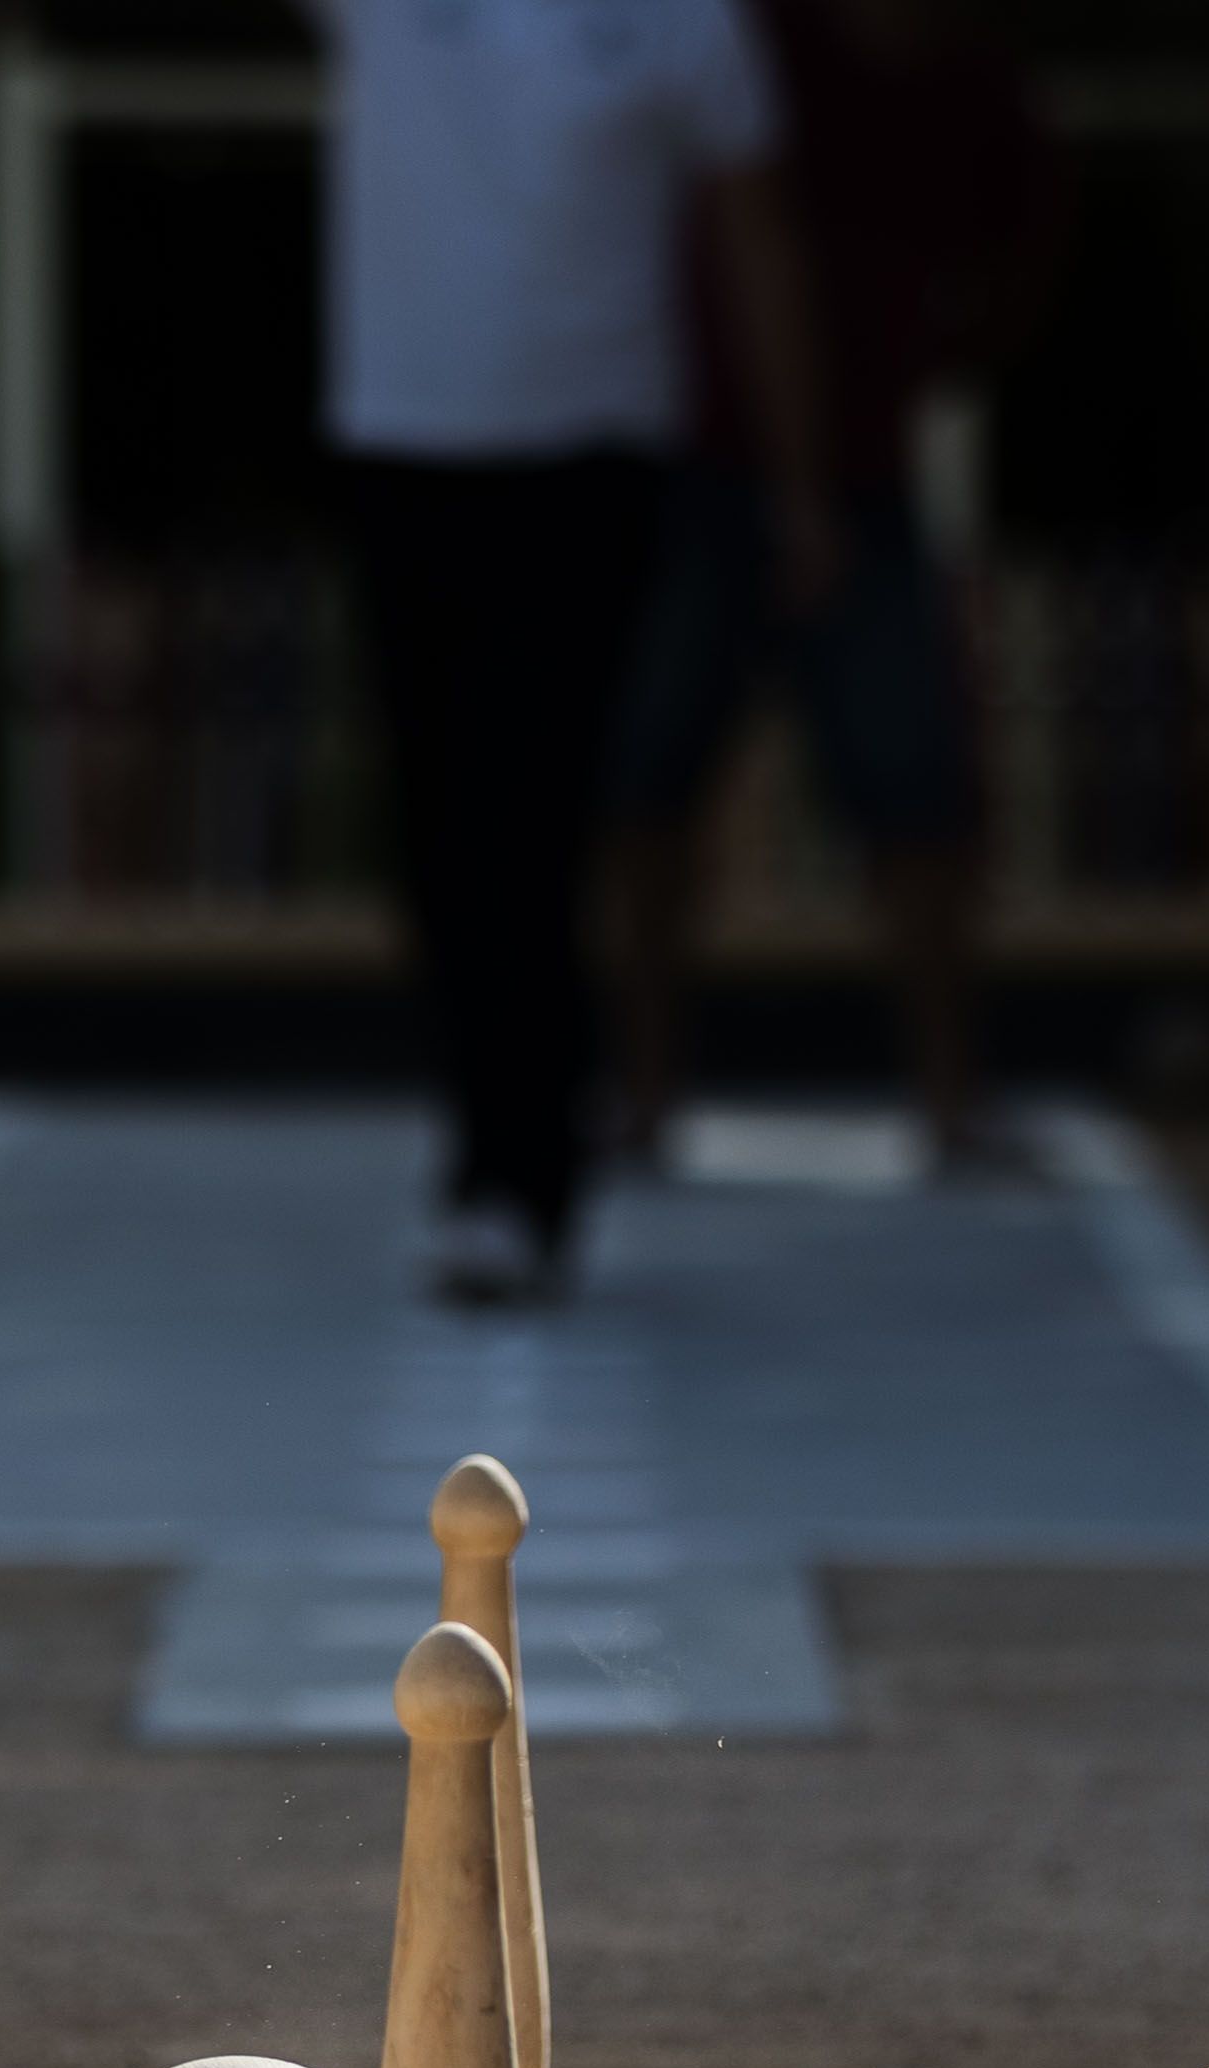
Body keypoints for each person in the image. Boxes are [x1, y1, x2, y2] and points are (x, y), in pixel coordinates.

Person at [305, 0, 833, 1305]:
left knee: (530, 808)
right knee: (436, 821)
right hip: (403, 442)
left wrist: (801, 478)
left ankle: (519, 1175)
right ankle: (489, 1137)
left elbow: (754, 229)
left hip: (587, 453)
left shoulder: (682, 20)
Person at [603, 0, 1062, 1174]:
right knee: (648, 776)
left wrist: (917, 365)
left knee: (916, 781)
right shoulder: (758, 46)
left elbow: (1015, 265)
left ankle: (948, 1095)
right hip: (710, 461)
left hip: (862, 480)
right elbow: (729, 230)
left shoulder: (974, 79)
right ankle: (640, 1092)